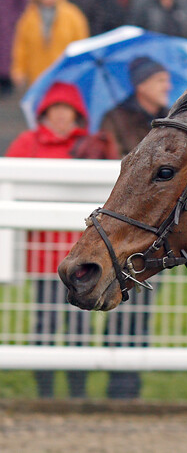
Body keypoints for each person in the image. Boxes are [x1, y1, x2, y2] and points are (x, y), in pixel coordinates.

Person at [5, 81, 98, 398]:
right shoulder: (26, 143)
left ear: (77, 115)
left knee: (80, 327)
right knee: (45, 323)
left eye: (67, 111)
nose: (61, 117)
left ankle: (77, 393)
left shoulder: (90, 146)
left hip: (83, 258)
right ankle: (44, 392)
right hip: (43, 258)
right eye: (54, 110)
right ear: (44, 113)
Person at [11, 0, 89, 88]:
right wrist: (19, 70)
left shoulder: (72, 15)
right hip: (38, 76)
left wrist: (81, 67)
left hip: (65, 74)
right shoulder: (29, 17)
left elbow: (81, 44)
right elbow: (22, 46)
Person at [100, 56, 172, 156]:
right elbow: (112, 158)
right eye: (160, 81)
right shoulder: (115, 120)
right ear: (141, 86)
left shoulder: (172, 118)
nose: (168, 87)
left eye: (167, 81)